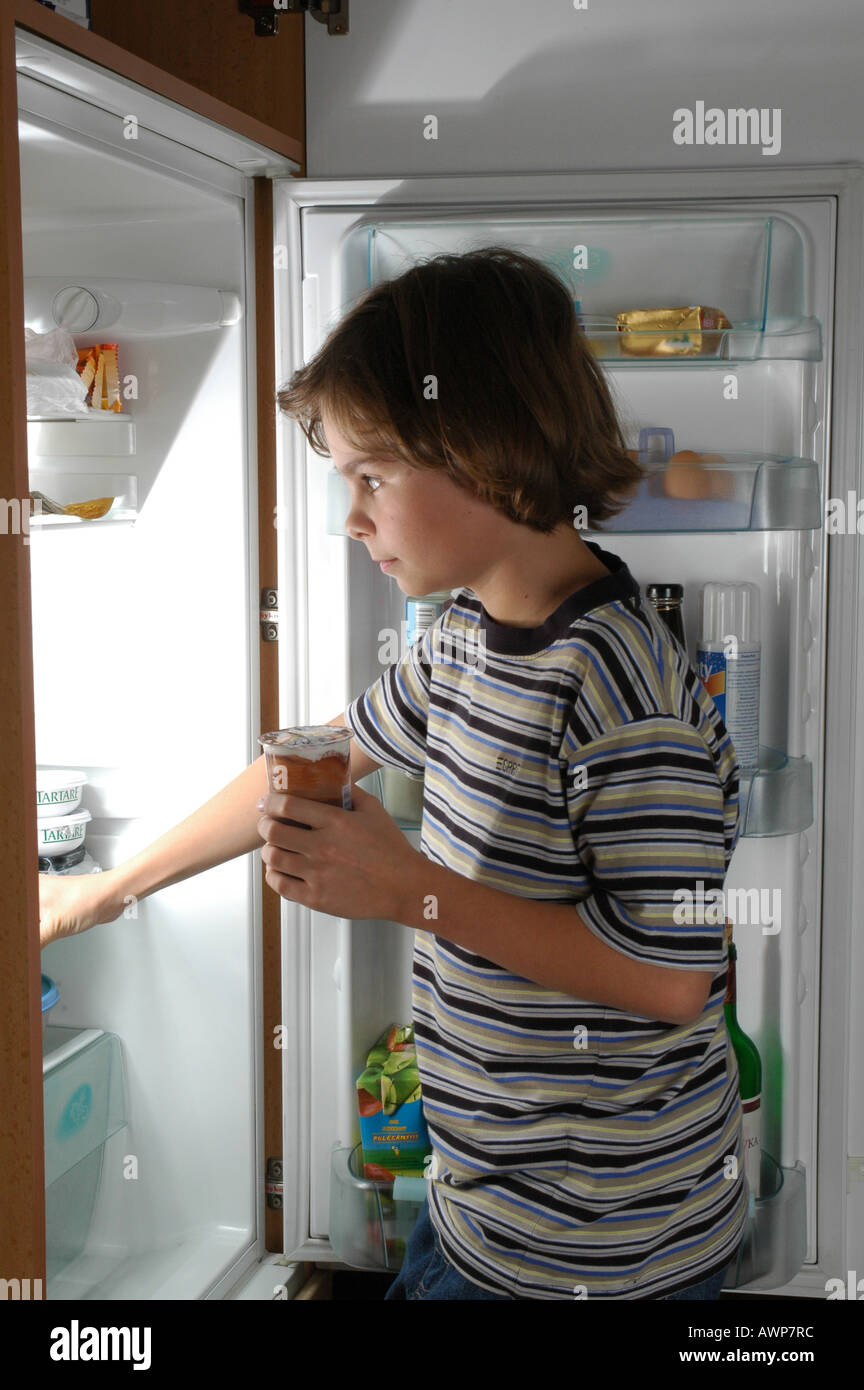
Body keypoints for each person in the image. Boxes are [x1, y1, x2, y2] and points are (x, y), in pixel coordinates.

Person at [39, 246, 746, 1300]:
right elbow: (317, 756)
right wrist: (104, 889)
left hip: (601, 1246)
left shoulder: (621, 690)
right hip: (479, 1198)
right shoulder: (465, 637)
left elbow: (668, 979)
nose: (351, 518)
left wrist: (403, 886)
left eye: (372, 478)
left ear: (487, 451)